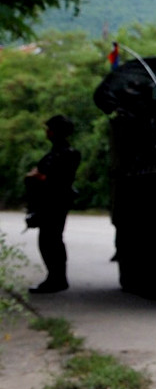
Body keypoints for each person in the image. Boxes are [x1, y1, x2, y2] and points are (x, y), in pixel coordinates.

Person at [24, 115, 81, 294]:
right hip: (48, 202)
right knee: (50, 240)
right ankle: (55, 277)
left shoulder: (66, 154)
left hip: (55, 203)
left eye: (49, 129)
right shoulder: (57, 153)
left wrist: (38, 177)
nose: (46, 132)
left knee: (51, 241)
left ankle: (57, 278)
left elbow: (57, 180)